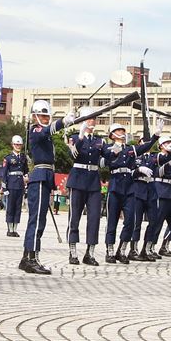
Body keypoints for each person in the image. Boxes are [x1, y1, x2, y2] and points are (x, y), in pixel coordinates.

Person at [19, 100, 74, 275]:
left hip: (45, 177)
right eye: (42, 115)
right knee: (36, 221)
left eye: (47, 116)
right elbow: (45, 132)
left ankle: (26, 257)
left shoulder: (45, 134)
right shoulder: (35, 130)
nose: (45, 118)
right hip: (40, 176)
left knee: (38, 219)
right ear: (35, 116)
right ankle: (32, 259)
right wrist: (62, 122)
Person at [103, 122, 161, 264]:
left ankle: (122, 250)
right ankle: (109, 250)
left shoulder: (130, 149)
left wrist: (155, 136)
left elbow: (144, 147)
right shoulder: (107, 148)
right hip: (115, 186)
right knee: (112, 221)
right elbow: (105, 161)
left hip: (129, 187)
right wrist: (112, 153)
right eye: (118, 130)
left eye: (123, 130)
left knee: (130, 221)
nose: (122, 132)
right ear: (112, 134)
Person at [64, 109, 103, 266]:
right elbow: (72, 156)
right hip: (77, 180)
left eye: (94, 118)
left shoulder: (100, 141)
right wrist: (80, 137)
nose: (92, 121)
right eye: (89, 118)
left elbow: (106, 158)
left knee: (94, 219)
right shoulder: (74, 138)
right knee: (74, 218)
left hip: (93, 182)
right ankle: (73, 251)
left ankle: (90, 253)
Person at [129, 138, 161, 262]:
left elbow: (164, 160)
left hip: (151, 190)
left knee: (153, 221)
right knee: (137, 222)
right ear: (139, 143)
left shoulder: (154, 157)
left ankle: (146, 249)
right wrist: (138, 170)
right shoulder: (134, 156)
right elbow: (130, 173)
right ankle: (133, 249)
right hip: (138, 189)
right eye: (144, 141)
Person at [3, 135, 28, 237]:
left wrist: (26, 179)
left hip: (20, 185)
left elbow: (26, 171)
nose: (18, 146)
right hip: (11, 184)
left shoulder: (23, 157)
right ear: (12, 145)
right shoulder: (8, 158)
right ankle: (9, 228)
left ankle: (15, 228)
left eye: (20, 145)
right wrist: (4, 187)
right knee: (10, 207)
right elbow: (4, 173)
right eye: (16, 144)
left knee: (18, 207)